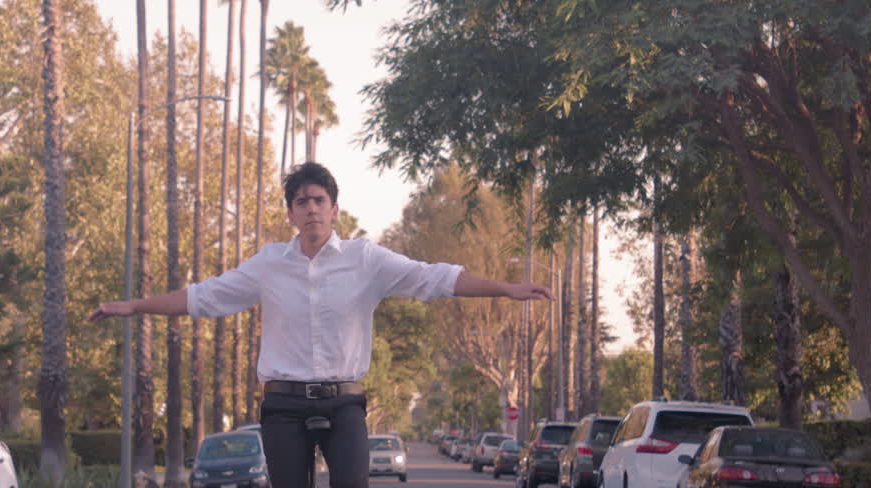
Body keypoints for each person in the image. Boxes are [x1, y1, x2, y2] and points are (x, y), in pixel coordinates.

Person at [89, 162, 552, 488]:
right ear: (290, 213)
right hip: (283, 404)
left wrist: (506, 287)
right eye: (301, 202)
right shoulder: (268, 264)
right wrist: (134, 305)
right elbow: (203, 297)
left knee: (352, 482)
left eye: (319, 200)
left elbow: (435, 277)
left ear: (334, 208)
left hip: (344, 404)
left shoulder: (366, 259)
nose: (310, 208)